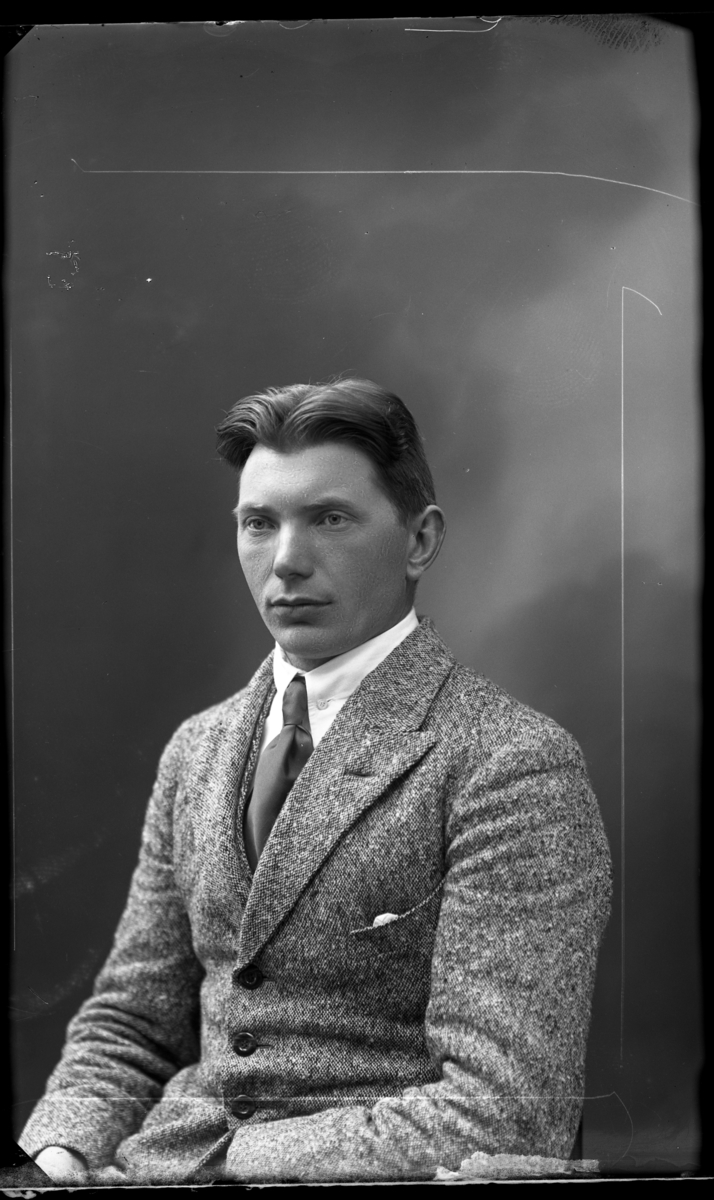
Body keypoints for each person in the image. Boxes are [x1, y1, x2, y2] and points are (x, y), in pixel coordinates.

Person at [20, 378, 612, 1184]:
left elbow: (509, 1112)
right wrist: (60, 1150)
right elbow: (132, 1023)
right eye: (259, 523)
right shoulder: (197, 750)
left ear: (420, 541)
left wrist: (227, 1161)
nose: (287, 560)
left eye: (330, 518)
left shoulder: (509, 763)